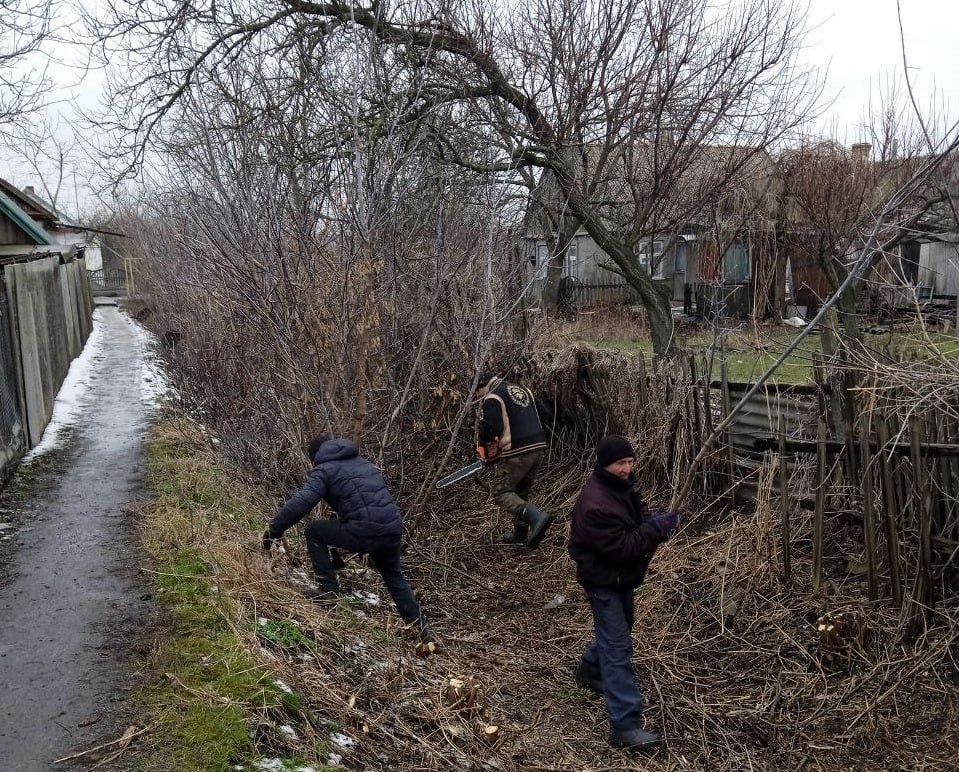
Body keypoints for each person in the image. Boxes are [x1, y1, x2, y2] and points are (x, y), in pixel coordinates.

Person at [262, 435, 432, 642]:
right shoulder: (363, 463)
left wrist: (274, 530)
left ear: (315, 456)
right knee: (394, 577)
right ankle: (422, 630)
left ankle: (328, 591)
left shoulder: (324, 469)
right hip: (392, 529)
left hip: (365, 530)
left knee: (314, 531)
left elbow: (302, 502)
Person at [568, 435, 679, 751]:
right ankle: (625, 727)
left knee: (619, 628)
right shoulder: (595, 505)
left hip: (620, 579)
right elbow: (623, 547)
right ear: (605, 464)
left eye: (630, 462)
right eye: (621, 463)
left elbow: (637, 517)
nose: (627, 469)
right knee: (618, 648)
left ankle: (588, 671)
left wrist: (653, 521)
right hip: (603, 580)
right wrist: (654, 530)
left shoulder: (620, 487)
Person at [474, 371, 553, 549]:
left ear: (482, 386)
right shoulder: (522, 389)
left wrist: (487, 447)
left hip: (517, 451)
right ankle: (520, 534)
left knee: (501, 492)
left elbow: (491, 428)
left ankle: (536, 517)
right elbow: (544, 413)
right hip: (538, 448)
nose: (477, 396)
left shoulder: (493, 397)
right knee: (519, 492)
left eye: (477, 392)